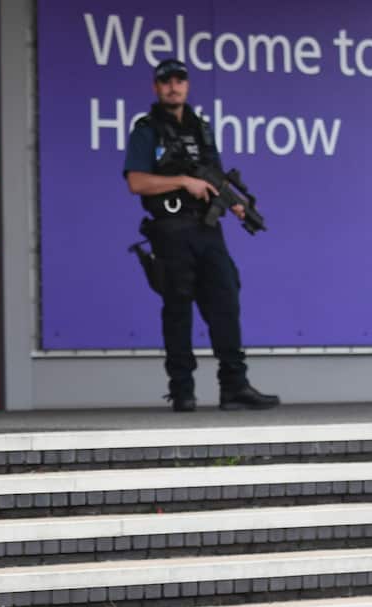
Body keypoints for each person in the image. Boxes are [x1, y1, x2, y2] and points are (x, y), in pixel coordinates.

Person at [123, 58, 280, 413]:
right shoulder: (147, 129)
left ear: (187, 86)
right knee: (177, 308)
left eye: (179, 80)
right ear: (156, 87)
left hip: (207, 229)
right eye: (166, 81)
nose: (173, 87)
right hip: (170, 230)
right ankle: (182, 389)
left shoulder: (201, 128)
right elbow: (136, 182)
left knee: (225, 299)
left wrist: (237, 205)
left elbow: (215, 176)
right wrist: (182, 182)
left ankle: (234, 386)